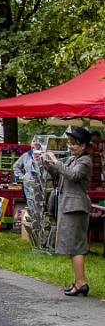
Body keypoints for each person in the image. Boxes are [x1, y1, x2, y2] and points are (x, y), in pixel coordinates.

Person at [41, 127, 92, 296]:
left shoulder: (85, 161)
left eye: (74, 144)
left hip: (76, 207)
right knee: (72, 246)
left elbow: (73, 175)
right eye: (70, 143)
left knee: (76, 246)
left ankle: (81, 282)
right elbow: (59, 174)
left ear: (83, 146)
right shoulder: (73, 159)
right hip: (69, 206)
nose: (70, 147)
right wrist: (46, 163)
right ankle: (78, 281)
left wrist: (56, 161)